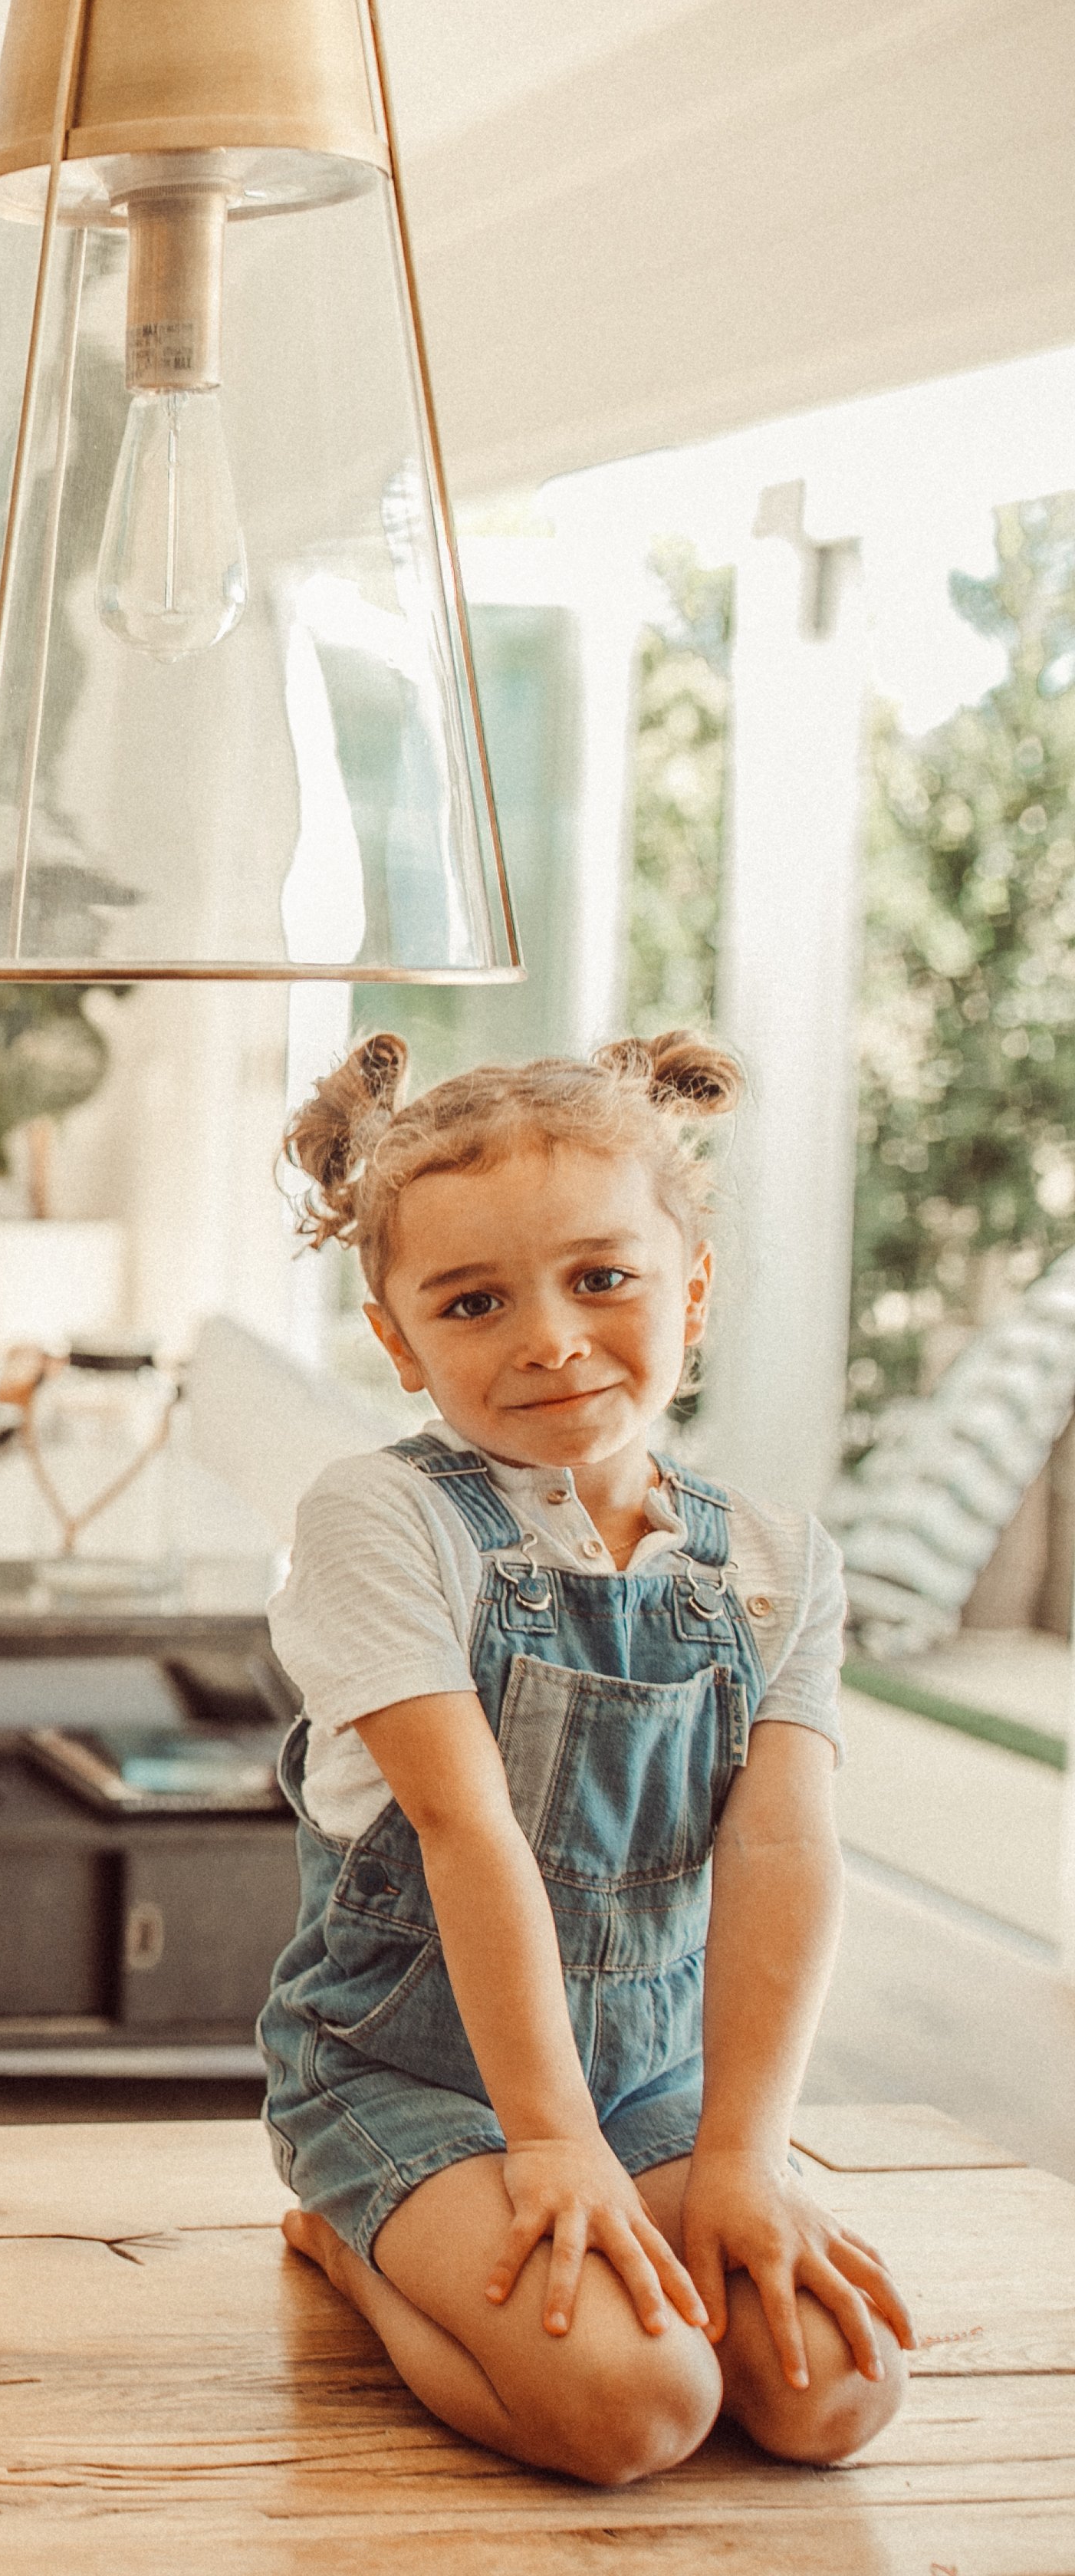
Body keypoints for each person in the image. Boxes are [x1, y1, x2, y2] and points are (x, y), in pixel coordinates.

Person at [258, 1028, 916, 2485]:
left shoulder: (776, 1561)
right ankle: (356, 2243)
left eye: (602, 1278)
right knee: (634, 2412)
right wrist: (547, 2144)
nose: (549, 1337)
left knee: (831, 2395)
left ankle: (576, 2211)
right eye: (475, 1301)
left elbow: (783, 1851)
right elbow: (467, 1832)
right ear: (398, 1338)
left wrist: (742, 2157)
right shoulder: (385, 1520)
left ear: (691, 1285)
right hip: (409, 2078)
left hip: (650, 2086)